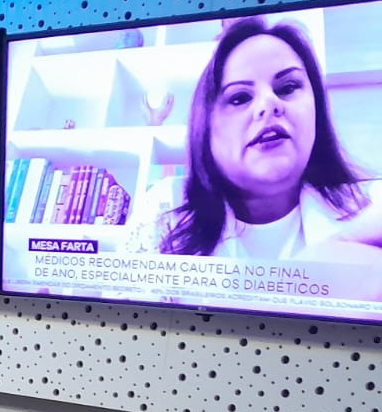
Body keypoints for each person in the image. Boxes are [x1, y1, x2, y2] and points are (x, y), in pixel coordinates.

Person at [130, 17, 382, 263]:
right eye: (240, 98)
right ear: (204, 127)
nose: (269, 103)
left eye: (288, 88)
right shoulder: (165, 211)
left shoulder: (372, 208)